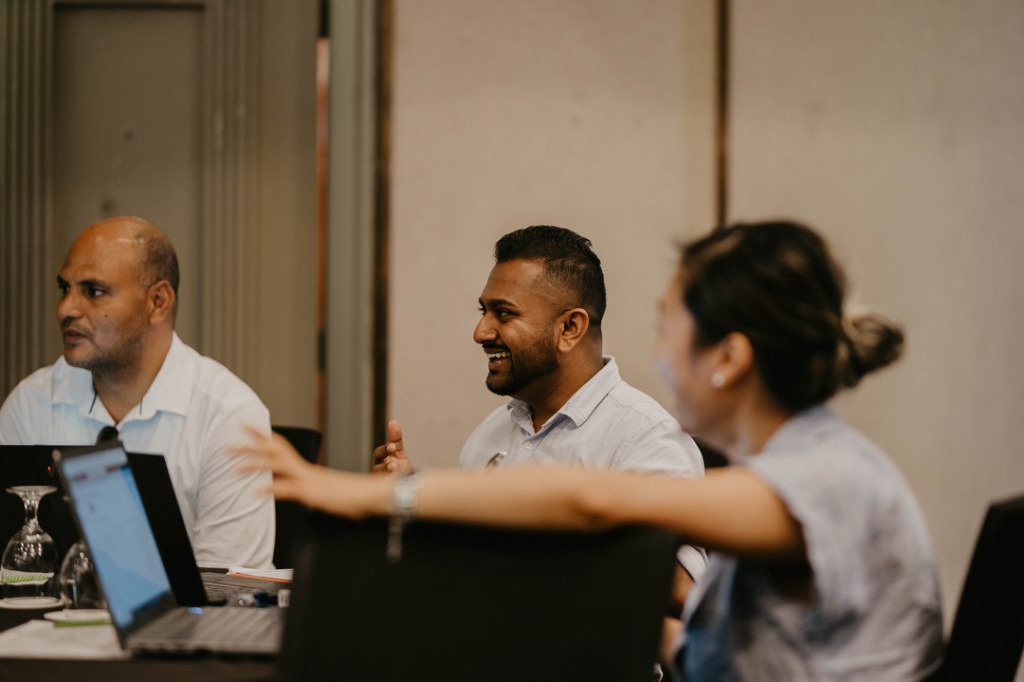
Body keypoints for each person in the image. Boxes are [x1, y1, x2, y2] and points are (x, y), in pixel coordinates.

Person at [236, 220, 944, 681]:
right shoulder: (801, 465)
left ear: (727, 357)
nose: (659, 355)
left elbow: (597, 502)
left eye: (670, 329)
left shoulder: (829, 479)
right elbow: (692, 647)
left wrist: (369, 492)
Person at [372, 225, 706, 582]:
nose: (481, 332)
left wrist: (529, 517)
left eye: (504, 314)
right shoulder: (490, 434)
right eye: (483, 311)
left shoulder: (645, 438)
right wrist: (416, 510)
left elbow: (683, 589)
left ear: (570, 329)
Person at [0, 216, 274, 568]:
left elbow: (227, 597)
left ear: (157, 302)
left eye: (93, 291)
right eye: (64, 289)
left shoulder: (229, 416)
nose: (65, 309)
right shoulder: (31, 403)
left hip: (186, 623)